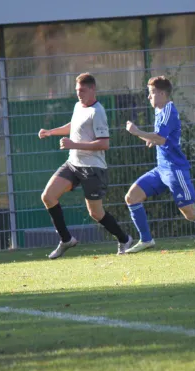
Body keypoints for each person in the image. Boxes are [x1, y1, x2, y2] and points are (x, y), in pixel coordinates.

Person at [123, 75, 195, 253]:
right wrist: (148, 138)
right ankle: (146, 240)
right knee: (132, 197)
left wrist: (137, 132)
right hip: (161, 169)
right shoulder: (159, 109)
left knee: (190, 213)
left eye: (152, 93)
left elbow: (161, 138)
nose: (149, 97)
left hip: (174, 170)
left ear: (162, 93)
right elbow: (160, 138)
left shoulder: (169, 110)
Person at [38, 72, 133, 259]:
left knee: (96, 213)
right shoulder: (78, 106)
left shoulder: (97, 112)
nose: (79, 94)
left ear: (92, 89)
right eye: (77, 91)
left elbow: (104, 144)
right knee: (48, 196)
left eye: (82, 90)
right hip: (73, 164)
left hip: (93, 168)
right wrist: (51, 132)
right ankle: (66, 239)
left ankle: (124, 239)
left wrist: (74, 144)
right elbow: (74, 126)